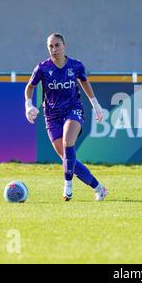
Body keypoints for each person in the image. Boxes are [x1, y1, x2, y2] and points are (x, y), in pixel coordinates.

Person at [24, 33, 108, 201]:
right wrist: (28, 105)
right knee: (68, 159)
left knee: (68, 142)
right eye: (50, 46)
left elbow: (84, 82)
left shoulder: (76, 66)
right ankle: (99, 188)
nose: (54, 49)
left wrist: (96, 105)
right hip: (52, 116)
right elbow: (30, 87)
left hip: (73, 109)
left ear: (64, 46)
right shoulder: (42, 68)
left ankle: (67, 187)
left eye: (57, 45)